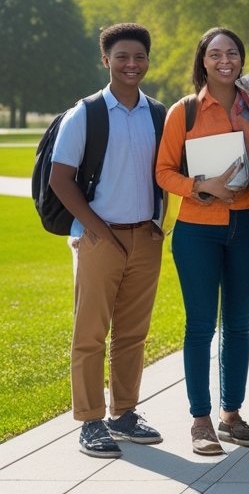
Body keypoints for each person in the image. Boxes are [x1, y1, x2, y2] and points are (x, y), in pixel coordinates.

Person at [50, 23, 168, 458]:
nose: (131, 64)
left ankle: (124, 414)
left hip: (145, 237)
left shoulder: (159, 113)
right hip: (100, 239)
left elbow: (166, 172)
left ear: (147, 61)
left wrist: (158, 222)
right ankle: (90, 421)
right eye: (122, 57)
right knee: (90, 334)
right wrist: (96, 231)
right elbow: (60, 179)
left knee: (133, 334)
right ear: (106, 61)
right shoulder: (86, 113)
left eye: (139, 57)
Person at [155, 28, 249, 455]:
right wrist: (203, 187)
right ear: (203, 60)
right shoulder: (183, 113)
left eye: (233, 53)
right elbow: (164, 171)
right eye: (215, 53)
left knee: (239, 325)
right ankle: (200, 420)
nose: (225, 60)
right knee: (201, 326)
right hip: (198, 230)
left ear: (242, 59)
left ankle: (231, 415)